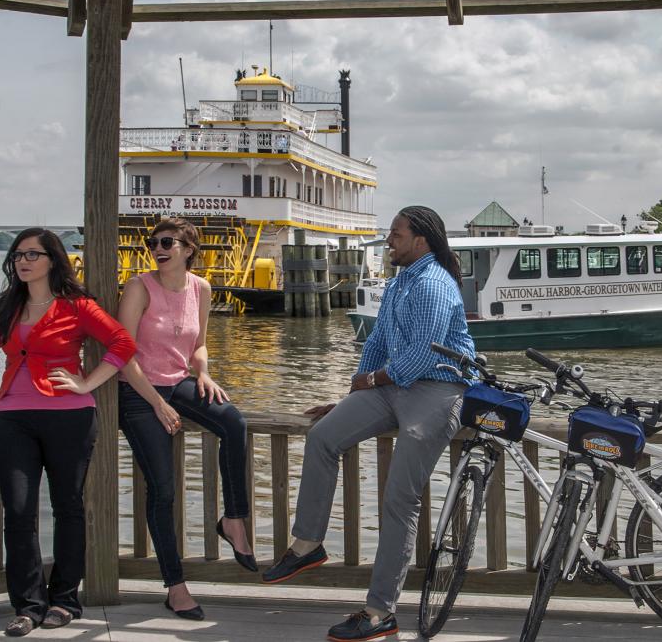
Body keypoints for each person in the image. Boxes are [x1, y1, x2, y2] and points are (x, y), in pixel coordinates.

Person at [262, 206, 475, 641]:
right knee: (323, 435)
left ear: (421, 240)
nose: (389, 240)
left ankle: (380, 611)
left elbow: (425, 355)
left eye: (395, 234)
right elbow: (377, 342)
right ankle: (307, 544)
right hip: (393, 386)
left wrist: (373, 380)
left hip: (438, 389)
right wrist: (353, 395)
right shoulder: (400, 282)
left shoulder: (435, 283)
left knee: (399, 497)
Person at [0, 228, 137, 638]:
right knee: (18, 512)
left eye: (33, 254)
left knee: (68, 508)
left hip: (68, 416)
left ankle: (64, 599)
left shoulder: (77, 306)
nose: (23, 261)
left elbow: (123, 343)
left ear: (53, 260)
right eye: (19, 254)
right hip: (12, 418)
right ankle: (27, 605)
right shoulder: (10, 304)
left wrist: (88, 382)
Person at [116, 217, 255, 621]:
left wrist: (205, 373)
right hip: (139, 392)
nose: (158, 248)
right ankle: (175, 587)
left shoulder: (202, 288)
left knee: (233, 421)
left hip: (178, 382)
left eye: (167, 242)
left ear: (189, 249)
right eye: (153, 242)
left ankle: (233, 519)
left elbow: (199, 345)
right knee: (164, 490)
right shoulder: (139, 287)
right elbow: (123, 355)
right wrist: (157, 405)